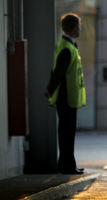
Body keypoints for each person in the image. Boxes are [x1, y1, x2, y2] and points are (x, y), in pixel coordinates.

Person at [45, 13, 86, 174]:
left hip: (67, 96)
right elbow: (59, 73)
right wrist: (50, 89)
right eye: (79, 26)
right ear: (74, 28)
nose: (80, 29)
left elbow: (57, 71)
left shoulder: (66, 45)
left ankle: (67, 164)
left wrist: (50, 89)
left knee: (66, 132)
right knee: (67, 133)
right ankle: (67, 166)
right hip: (66, 96)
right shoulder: (67, 48)